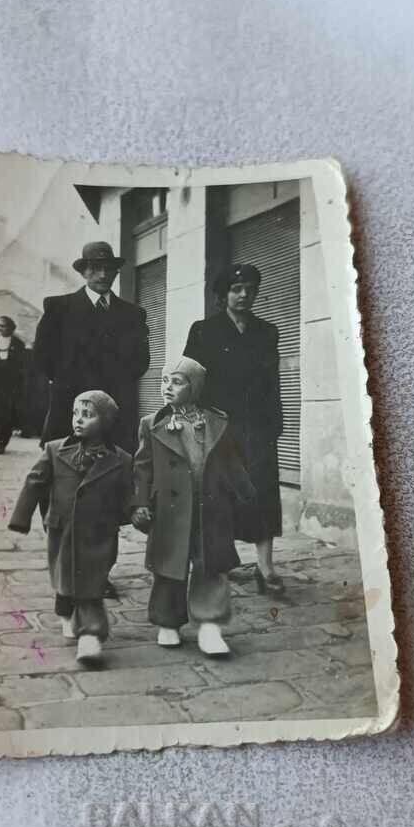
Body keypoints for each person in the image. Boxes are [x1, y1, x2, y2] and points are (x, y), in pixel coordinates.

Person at [132, 357, 256, 656]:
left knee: (211, 565)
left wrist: (247, 496)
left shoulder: (216, 422)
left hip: (211, 507)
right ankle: (168, 623)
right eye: (164, 381)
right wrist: (140, 503)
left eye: (177, 381)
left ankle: (210, 626)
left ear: (195, 386)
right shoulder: (152, 424)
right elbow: (142, 468)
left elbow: (231, 463)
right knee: (169, 567)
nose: (167, 388)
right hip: (170, 510)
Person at [8, 391, 133, 665]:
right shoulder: (54, 450)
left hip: (98, 534)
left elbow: (128, 495)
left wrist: (136, 513)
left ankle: (91, 636)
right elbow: (34, 483)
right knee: (65, 579)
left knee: (92, 584)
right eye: (76, 414)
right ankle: (65, 611)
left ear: (106, 421)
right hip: (61, 530)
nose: (79, 420)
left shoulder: (121, 460)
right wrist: (21, 517)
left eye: (88, 416)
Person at [184, 264, 285, 596]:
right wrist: (192, 421)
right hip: (217, 425)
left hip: (258, 427)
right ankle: (219, 565)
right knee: (218, 495)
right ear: (223, 294)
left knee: (264, 492)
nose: (244, 295)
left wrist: (275, 425)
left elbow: (273, 383)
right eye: (237, 288)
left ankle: (265, 566)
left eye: (250, 288)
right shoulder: (203, 331)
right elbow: (188, 379)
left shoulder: (267, 332)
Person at [32, 241, 150, 455]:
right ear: (84, 272)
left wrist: (117, 381)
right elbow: (42, 356)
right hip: (70, 403)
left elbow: (141, 361)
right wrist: (65, 380)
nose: (103, 275)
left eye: (109, 269)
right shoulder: (59, 308)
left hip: (116, 405)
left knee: (113, 470)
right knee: (65, 467)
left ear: (116, 273)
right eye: (95, 269)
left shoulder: (133, 314)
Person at [0, 316, 26, 454]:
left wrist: (8, 364)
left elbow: (21, 364)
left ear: (10, 328)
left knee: (7, 415)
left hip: (11, 385)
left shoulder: (18, 344)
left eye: (2, 326)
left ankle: (3, 443)